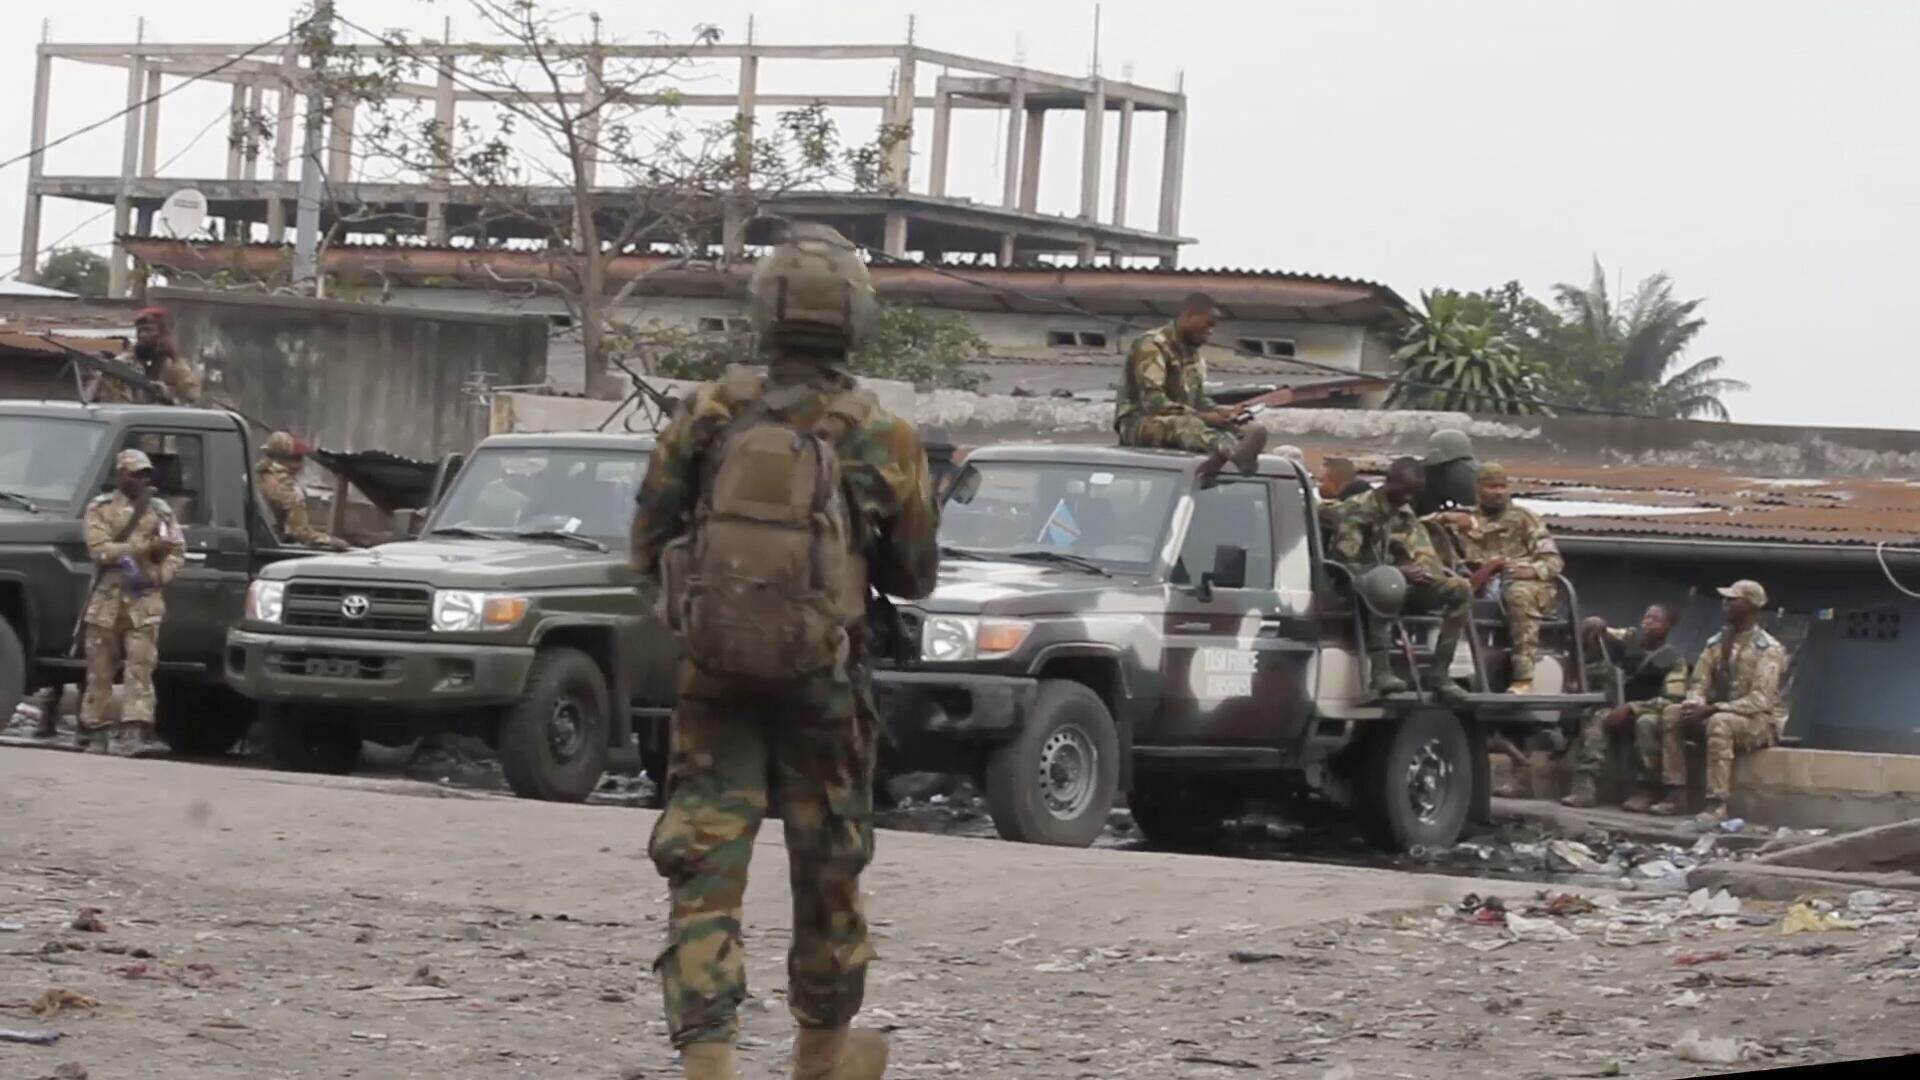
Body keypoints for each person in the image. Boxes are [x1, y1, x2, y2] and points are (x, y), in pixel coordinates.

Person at [631, 221, 939, 1080]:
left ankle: (709, 1061)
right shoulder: (883, 433)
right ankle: (822, 1054)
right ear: (856, 319)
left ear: (764, 311)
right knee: (828, 863)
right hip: (825, 683)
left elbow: (646, 542)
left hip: (715, 677)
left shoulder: (708, 412)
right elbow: (915, 575)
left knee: (704, 861)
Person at [1328, 456, 1472, 701]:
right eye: (1404, 491)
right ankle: (1381, 671)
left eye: (1414, 492)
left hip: (1402, 585)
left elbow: (1422, 551)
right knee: (1386, 582)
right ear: (1389, 481)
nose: (1408, 498)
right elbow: (1344, 564)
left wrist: (1426, 573)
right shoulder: (1357, 510)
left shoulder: (1405, 511)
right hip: (1359, 584)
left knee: (1460, 589)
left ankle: (1440, 672)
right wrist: (1397, 571)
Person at [1652, 580, 1787, 824]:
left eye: (1733, 600)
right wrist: (1694, 704)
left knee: (1720, 723)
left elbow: (1760, 700)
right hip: (1716, 712)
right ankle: (1675, 794)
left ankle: (1717, 804)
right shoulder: (1716, 643)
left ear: (1751, 606)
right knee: (1673, 713)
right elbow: (1698, 683)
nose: (1725, 604)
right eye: (1726, 599)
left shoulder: (1769, 649)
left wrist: (1713, 709)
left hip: (1759, 721)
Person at [78, 449, 184, 757]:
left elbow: (177, 550)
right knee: (99, 670)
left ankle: (135, 732)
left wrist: (160, 576)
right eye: (134, 473)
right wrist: (141, 548)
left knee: (141, 668)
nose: (140, 479)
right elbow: (99, 549)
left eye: (145, 474)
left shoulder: (160, 510)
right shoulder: (101, 508)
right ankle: (95, 731)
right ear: (119, 474)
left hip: (144, 602)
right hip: (106, 601)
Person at [1433, 463, 1563, 693]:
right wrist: (1445, 519)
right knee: (1449, 591)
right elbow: (1422, 525)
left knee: (1518, 594)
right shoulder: (1464, 518)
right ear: (1478, 488)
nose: (1499, 492)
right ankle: (1442, 671)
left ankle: (1523, 677)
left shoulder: (1524, 518)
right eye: (1492, 486)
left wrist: (1530, 571)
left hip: (1524, 583)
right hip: (1480, 584)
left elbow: (1553, 561)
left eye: (1503, 486)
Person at [1113, 292, 1267, 478]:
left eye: (1213, 326)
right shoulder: (1152, 345)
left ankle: (1242, 454)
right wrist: (1205, 417)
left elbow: (1198, 399)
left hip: (1179, 419)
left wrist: (1223, 412)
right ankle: (1233, 452)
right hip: (1138, 422)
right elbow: (1152, 402)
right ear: (1189, 316)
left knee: (1238, 428)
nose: (1210, 331)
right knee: (1186, 425)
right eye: (1207, 324)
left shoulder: (1192, 353)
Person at [1565, 604, 1687, 810]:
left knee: (1645, 724)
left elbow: (1673, 700)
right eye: (1647, 617)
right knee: (1598, 716)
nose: (1648, 622)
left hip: (1649, 711)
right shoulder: (1629, 643)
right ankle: (1585, 788)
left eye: (1656, 619)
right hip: (1619, 707)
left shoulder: (1674, 660)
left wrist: (1632, 708)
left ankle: (1645, 790)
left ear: (1668, 626)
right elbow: (1603, 632)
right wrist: (1596, 626)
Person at [85, 306, 203, 406]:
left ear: (162, 334)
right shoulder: (123, 365)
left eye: (149, 330)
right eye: (140, 331)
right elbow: (114, 404)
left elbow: (192, 394)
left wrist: (166, 391)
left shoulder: (172, 362)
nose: (142, 335)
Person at [256, 432, 352, 551]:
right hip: (271, 550)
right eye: (296, 460)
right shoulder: (288, 489)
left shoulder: (251, 477)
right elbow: (298, 532)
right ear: (288, 458)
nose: (300, 466)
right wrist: (330, 541)